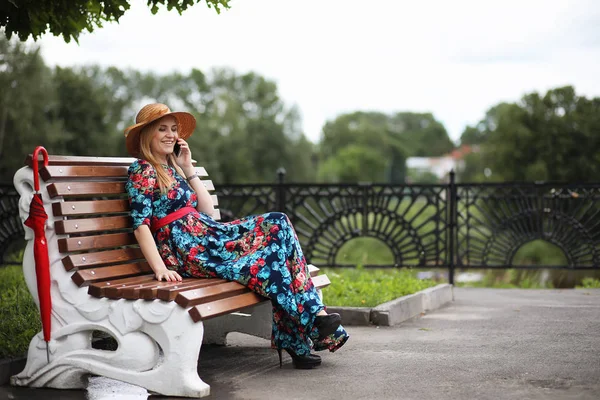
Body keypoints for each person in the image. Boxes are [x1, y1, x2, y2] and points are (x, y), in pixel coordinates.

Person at [124, 103, 349, 369]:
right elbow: (141, 225)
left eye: (173, 129)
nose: (171, 135)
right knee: (270, 256)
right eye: (162, 129)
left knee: (277, 223)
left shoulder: (173, 168)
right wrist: (160, 269)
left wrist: (188, 169)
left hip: (207, 235)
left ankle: (307, 328)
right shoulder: (143, 170)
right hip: (188, 250)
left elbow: (207, 211)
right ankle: (308, 326)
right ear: (146, 134)